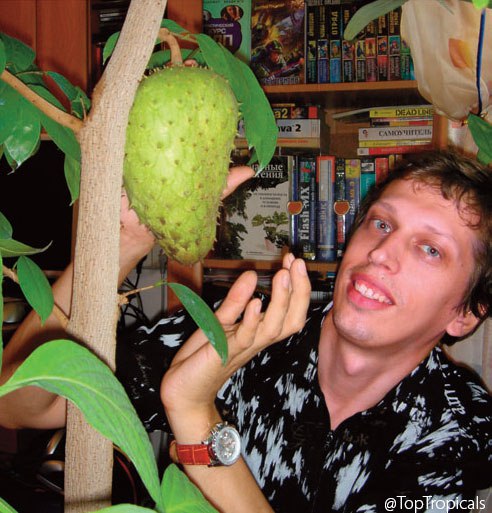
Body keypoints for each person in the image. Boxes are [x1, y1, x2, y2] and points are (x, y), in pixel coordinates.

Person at [1, 150, 491, 513]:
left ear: (465, 314)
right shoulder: (240, 331)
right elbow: (17, 402)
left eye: (431, 250)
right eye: (381, 225)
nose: (382, 254)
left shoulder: (460, 426)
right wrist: (121, 246)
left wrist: (195, 416)